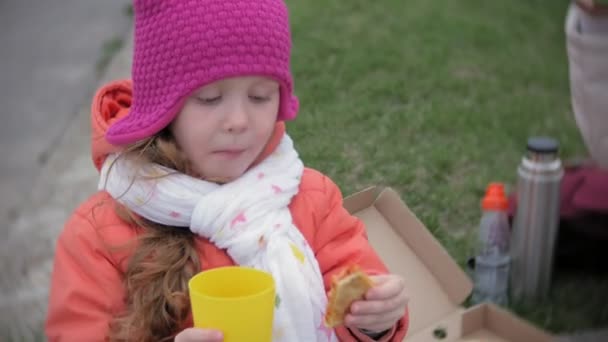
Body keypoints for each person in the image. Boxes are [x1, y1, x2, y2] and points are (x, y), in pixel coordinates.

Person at [45, 1, 409, 341]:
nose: (238, 121)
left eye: (260, 96)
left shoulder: (309, 197)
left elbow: (357, 284)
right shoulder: (98, 236)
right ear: (161, 108)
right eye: (209, 98)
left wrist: (375, 318)